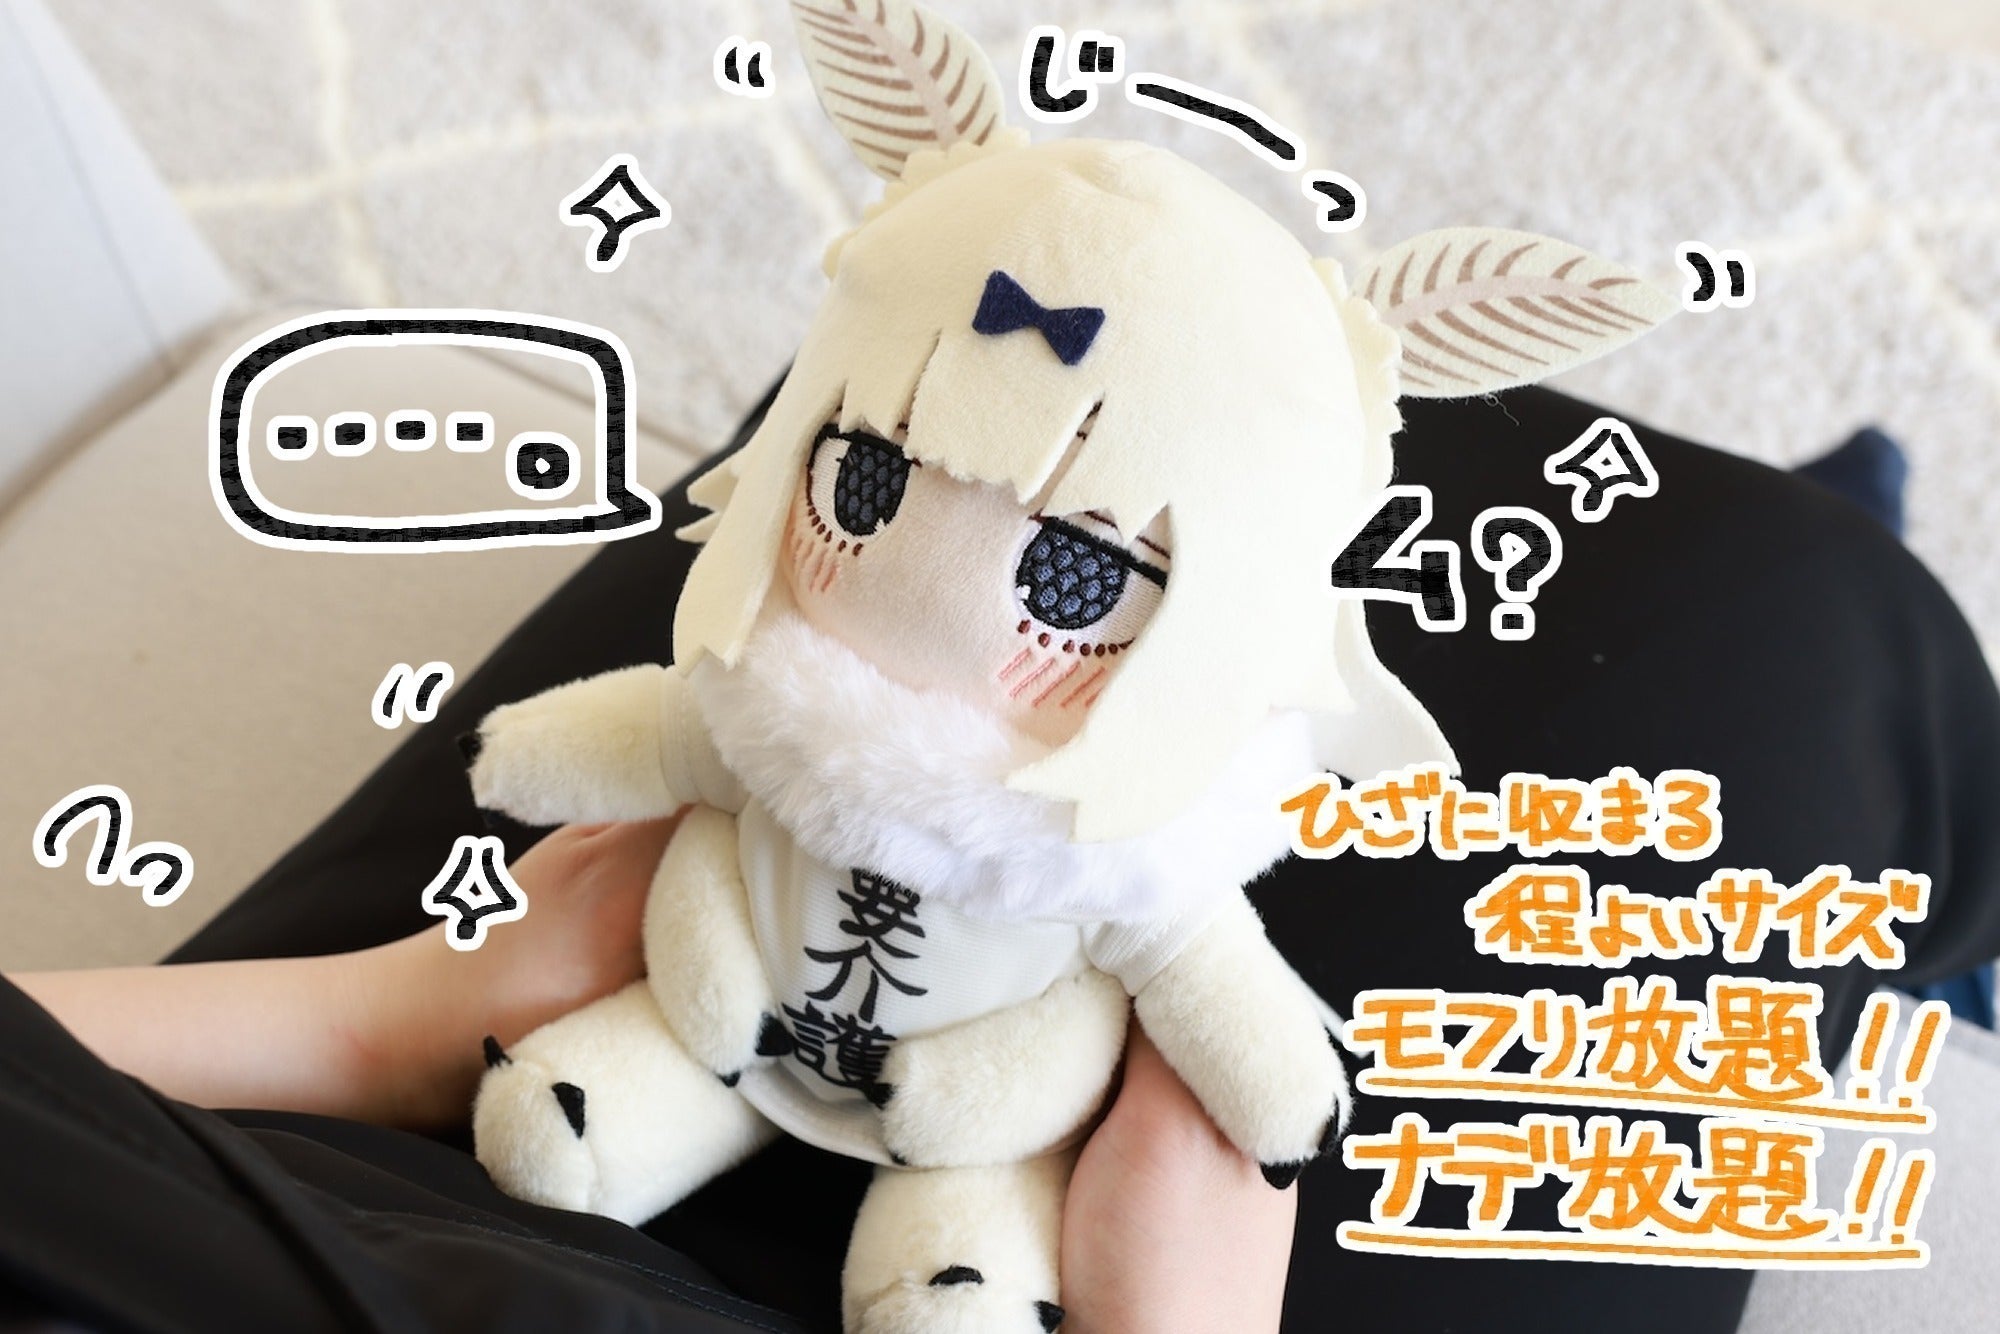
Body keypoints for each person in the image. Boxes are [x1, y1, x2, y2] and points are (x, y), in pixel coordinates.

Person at [7, 376, 2000, 1334]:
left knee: (939, 430)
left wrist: (384, 1014)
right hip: (1005, 1234)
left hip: (323, 1144)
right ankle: (1892, 672)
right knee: (1789, 629)